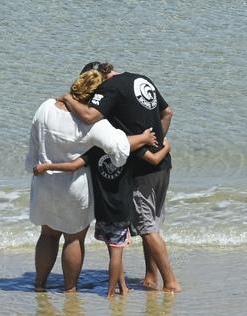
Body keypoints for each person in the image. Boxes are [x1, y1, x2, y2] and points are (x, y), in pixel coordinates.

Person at [25, 70, 157, 292]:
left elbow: (34, 143)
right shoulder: (94, 123)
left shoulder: (45, 107)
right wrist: (143, 138)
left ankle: (39, 284)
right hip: (74, 187)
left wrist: (32, 167)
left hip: (44, 182)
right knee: (73, 240)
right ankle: (69, 289)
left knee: (47, 235)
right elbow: (119, 148)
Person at [61, 62, 181, 292]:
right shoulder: (140, 78)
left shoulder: (111, 87)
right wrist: (156, 143)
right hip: (162, 166)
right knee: (152, 223)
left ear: (100, 76)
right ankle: (150, 276)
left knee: (147, 227)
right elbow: (167, 113)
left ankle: (171, 282)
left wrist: (68, 99)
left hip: (141, 168)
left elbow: (89, 116)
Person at [34, 138, 171, 296]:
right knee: (116, 253)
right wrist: (165, 146)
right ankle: (111, 292)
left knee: (112, 250)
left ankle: (123, 287)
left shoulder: (94, 150)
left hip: (102, 212)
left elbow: (73, 166)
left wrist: (47, 166)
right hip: (121, 212)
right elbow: (154, 160)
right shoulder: (126, 151)